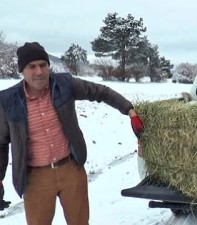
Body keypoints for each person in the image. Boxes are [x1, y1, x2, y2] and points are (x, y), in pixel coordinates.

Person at [0, 42, 143, 225]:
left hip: (71, 170)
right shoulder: (8, 101)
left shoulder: (64, 84)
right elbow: (1, 142)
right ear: (22, 70)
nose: (39, 71)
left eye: (43, 65)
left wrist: (129, 110)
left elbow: (100, 92)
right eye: (32, 66)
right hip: (35, 178)